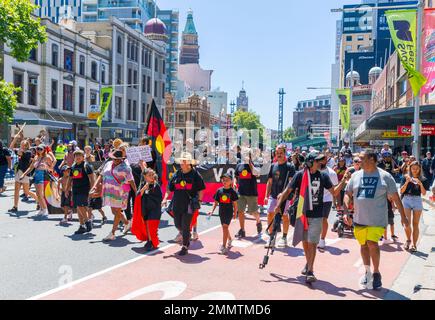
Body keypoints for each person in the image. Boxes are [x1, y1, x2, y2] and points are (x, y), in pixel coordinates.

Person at [275, 150, 348, 283]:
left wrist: (343, 181)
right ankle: (308, 263)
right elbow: (287, 191)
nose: (320, 162)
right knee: (305, 241)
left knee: (313, 243)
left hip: (317, 214)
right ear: (310, 162)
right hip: (302, 213)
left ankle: (310, 270)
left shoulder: (323, 176)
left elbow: (335, 192)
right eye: (317, 160)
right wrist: (278, 206)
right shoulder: (299, 175)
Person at [344, 149, 408, 290]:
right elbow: (348, 193)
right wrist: (346, 210)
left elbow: (396, 197)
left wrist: (403, 217)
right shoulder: (355, 175)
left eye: (362, 158)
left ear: (372, 159)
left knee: (372, 243)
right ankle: (367, 271)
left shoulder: (385, 176)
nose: (358, 161)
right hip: (359, 217)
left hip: (377, 219)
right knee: (363, 245)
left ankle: (377, 272)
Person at [162, 152, 205, 256]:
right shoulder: (177, 173)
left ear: (189, 163)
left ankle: (185, 246)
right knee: (178, 224)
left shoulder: (195, 174)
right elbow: (169, 188)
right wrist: (165, 198)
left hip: (189, 205)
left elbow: (201, 189)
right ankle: (186, 235)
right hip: (177, 203)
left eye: (184, 161)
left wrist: (199, 201)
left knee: (185, 226)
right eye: (181, 160)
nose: (182, 162)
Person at [92, 150, 137, 241]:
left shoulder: (126, 168)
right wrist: (94, 186)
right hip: (109, 192)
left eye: (117, 159)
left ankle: (112, 233)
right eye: (114, 158)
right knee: (114, 211)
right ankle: (127, 223)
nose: (115, 160)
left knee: (117, 211)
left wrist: (136, 192)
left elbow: (131, 181)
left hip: (120, 192)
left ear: (121, 159)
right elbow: (100, 175)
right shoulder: (108, 164)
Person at [264, 144, 296, 248]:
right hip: (273, 196)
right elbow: (269, 182)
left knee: (284, 216)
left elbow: (292, 183)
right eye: (277, 153)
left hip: (285, 197)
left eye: (281, 153)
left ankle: (284, 237)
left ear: (285, 153)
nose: (279, 155)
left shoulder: (290, 167)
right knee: (270, 213)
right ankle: (271, 237)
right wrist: (266, 195)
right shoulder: (273, 166)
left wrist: (284, 194)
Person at [234, 149, 262, 238]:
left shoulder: (255, 164)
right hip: (241, 192)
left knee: (253, 212)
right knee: (240, 212)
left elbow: (257, 174)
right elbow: (236, 176)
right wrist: (235, 182)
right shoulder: (239, 165)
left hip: (251, 193)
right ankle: (242, 230)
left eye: (247, 154)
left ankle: (258, 221)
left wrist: (250, 164)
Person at [66, 150, 95, 234]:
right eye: (76, 156)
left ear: (83, 157)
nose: (77, 157)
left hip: (84, 189)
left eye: (80, 155)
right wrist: (67, 189)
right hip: (75, 189)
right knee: (78, 207)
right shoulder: (73, 166)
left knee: (80, 205)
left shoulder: (86, 166)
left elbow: (92, 178)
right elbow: (70, 178)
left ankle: (87, 221)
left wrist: (92, 189)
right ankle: (82, 226)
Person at [20, 144, 53, 217]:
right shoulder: (36, 157)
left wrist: (46, 166)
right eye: (38, 149)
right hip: (36, 175)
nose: (39, 150)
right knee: (38, 194)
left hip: (42, 175)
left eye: (41, 149)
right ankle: (42, 209)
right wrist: (24, 174)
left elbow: (51, 169)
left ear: (44, 149)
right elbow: (31, 167)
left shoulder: (47, 157)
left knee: (40, 194)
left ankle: (45, 209)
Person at [400, 161, 426, 253]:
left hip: (417, 200)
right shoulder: (405, 177)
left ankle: (414, 245)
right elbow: (401, 191)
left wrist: (420, 184)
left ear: (419, 169)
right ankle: (408, 240)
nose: (415, 170)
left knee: (415, 224)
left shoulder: (422, 179)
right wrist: (407, 182)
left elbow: (424, 193)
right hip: (406, 199)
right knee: (407, 223)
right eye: (413, 168)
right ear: (410, 168)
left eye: (417, 168)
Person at [134, 168, 163, 252]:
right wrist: (144, 188)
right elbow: (138, 195)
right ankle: (149, 240)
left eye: (152, 175)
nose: (151, 176)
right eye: (149, 175)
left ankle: (152, 241)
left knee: (152, 226)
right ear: (145, 176)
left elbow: (159, 198)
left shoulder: (156, 185)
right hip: (145, 209)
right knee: (146, 225)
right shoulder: (143, 184)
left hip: (154, 209)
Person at [209, 173, 239, 255]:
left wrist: (235, 213)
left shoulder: (232, 191)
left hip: (228, 212)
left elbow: (235, 204)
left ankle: (223, 246)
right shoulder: (219, 191)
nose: (225, 181)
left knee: (225, 227)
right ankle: (230, 239)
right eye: (223, 180)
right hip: (221, 212)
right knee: (224, 227)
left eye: (227, 180)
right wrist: (211, 211)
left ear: (231, 181)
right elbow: (215, 203)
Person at [8, 140, 37, 212]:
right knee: (16, 190)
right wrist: (14, 140)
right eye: (21, 144)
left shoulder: (28, 152)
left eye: (24, 145)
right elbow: (10, 148)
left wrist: (20, 148)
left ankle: (39, 201)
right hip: (19, 172)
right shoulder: (21, 150)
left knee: (26, 191)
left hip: (25, 173)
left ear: (27, 146)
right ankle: (15, 206)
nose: (22, 146)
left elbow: (20, 153)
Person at [317, 154, 339, 251]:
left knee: (323, 219)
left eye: (322, 160)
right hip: (314, 199)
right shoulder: (313, 170)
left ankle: (322, 239)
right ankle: (315, 237)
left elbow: (334, 189)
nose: (320, 162)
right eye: (318, 160)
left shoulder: (332, 173)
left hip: (326, 199)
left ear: (326, 161)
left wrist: (336, 201)